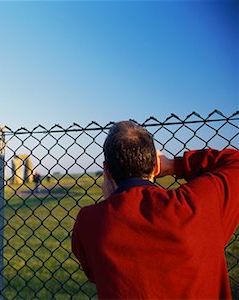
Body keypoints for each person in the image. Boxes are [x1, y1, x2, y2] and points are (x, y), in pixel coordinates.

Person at [72, 121, 239, 299]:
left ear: (106, 170)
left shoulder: (89, 222)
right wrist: (175, 165)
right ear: (155, 166)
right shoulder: (196, 206)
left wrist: (113, 201)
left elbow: (95, 273)